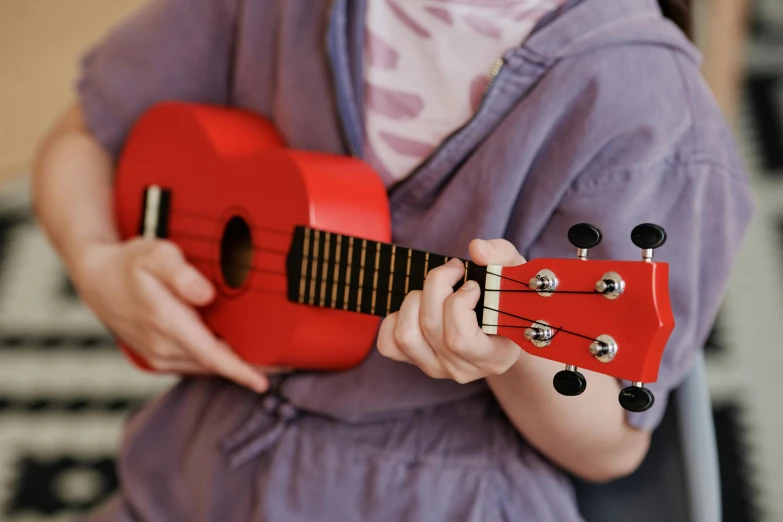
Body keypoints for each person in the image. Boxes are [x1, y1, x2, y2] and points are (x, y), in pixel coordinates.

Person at [31, 0, 754, 520]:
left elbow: (610, 450)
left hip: (434, 497)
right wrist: (97, 264)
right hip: (190, 470)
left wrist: (510, 354)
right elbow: (81, 137)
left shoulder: (641, 111)